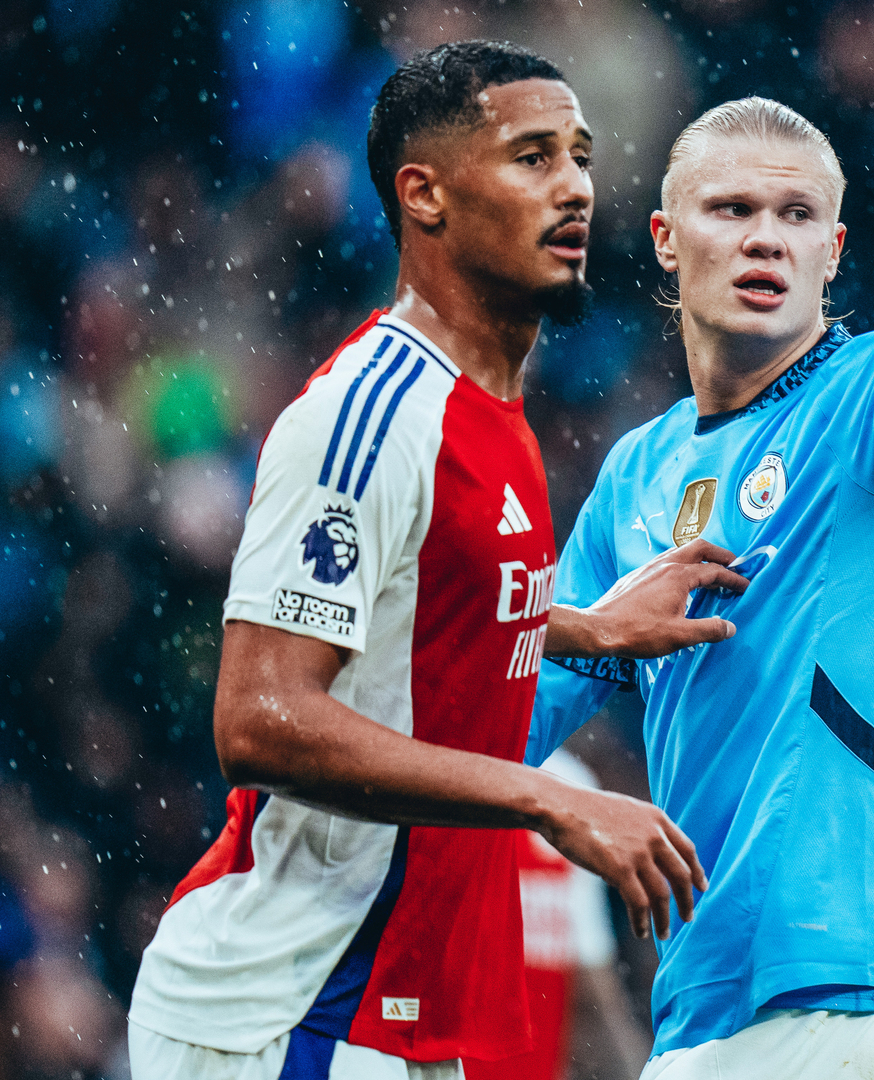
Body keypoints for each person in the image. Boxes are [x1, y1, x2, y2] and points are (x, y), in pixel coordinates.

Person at [127, 41, 746, 1080]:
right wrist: (548, 797)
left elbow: (421, 600)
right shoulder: (369, 416)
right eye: (533, 157)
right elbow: (259, 716)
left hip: (398, 1017)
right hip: (287, 1008)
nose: (574, 187)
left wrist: (590, 628)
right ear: (425, 195)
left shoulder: (495, 413)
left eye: (581, 157)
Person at [528, 19, 874, 1079]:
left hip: (860, 985)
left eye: (797, 215)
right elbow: (519, 711)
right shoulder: (636, 472)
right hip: (704, 999)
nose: (767, 238)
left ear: (832, 253)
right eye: (733, 209)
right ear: (666, 239)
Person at [464, 749, 650, 1080]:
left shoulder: (570, 783)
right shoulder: (448, 770)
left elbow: (590, 964)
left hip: (528, 1053)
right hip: (457, 1046)